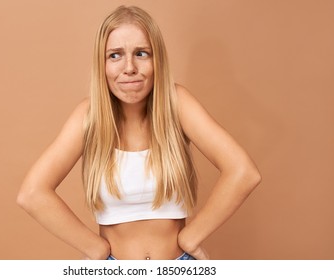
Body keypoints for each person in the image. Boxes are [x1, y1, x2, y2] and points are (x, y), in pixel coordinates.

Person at [17, 5, 261, 260]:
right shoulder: (88, 115)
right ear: (102, 64)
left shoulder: (177, 104)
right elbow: (32, 193)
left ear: (157, 61)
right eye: (115, 55)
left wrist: (192, 236)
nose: (129, 67)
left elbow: (243, 172)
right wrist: (95, 248)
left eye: (141, 53)